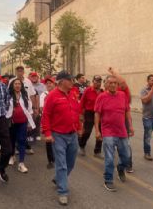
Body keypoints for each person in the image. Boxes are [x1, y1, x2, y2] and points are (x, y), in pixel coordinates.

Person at [41, 71, 82, 206]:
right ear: (62, 81)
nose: (72, 82)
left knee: (71, 163)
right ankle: (63, 191)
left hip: (72, 134)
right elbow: (46, 115)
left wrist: (79, 127)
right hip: (58, 135)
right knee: (62, 165)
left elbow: (76, 112)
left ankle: (58, 179)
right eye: (70, 80)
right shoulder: (52, 96)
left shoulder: (73, 94)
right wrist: (47, 133)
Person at [94, 75, 134, 192]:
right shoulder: (101, 97)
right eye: (110, 83)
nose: (112, 85)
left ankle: (121, 168)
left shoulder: (122, 95)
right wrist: (97, 130)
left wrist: (130, 126)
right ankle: (108, 180)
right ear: (105, 85)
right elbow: (97, 114)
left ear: (117, 85)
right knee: (110, 158)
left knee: (126, 157)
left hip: (122, 131)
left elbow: (127, 111)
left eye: (115, 83)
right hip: (108, 132)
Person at [7, 78, 36, 173]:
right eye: (15, 84)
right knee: (11, 141)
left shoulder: (24, 95)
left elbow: (30, 108)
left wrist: (29, 122)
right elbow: (5, 108)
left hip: (23, 123)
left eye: (19, 84)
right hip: (12, 123)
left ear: (21, 85)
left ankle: (21, 163)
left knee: (22, 141)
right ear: (12, 85)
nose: (17, 85)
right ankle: (12, 156)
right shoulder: (8, 96)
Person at [9, 66, 37, 153]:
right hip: (15, 108)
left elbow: (32, 95)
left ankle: (24, 145)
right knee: (16, 129)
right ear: (16, 72)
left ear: (23, 72)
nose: (20, 72)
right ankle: (19, 146)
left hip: (26, 108)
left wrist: (35, 107)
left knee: (25, 129)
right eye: (18, 71)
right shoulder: (11, 81)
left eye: (21, 71)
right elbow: (8, 93)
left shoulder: (28, 81)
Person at [79, 75, 104, 157]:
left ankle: (97, 151)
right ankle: (82, 146)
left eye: (99, 81)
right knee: (87, 131)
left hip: (99, 114)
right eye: (96, 81)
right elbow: (82, 102)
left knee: (100, 132)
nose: (98, 83)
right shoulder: (88, 90)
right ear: (93, 81)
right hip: (89, 113)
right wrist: (81, 114)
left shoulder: (102, 92)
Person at [40, 76, 56, 169]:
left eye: (50, 83)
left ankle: (57, 158)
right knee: (49, 140)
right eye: (47, 83)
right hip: (48, 120)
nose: (49, 85)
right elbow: (42, 108)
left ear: (54, 84)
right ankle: (51, 160)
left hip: (57, 121)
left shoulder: (58, 93)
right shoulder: (44, 94)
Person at [29, 72, 45, 141]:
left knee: (38, 119)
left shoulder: (42, 85)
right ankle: (31, 134)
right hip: (31, 104)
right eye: (33, 77)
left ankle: (37, 134)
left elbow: (45, 94)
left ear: (38, 78)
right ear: (30, 78)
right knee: (31, 120)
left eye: (35, 77)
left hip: (40, 104)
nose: (34, 78)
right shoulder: (29, 85)